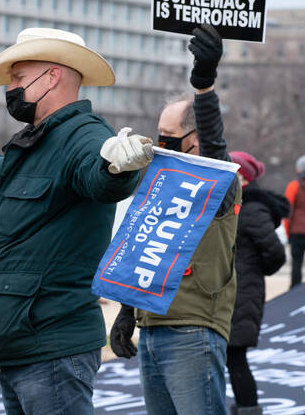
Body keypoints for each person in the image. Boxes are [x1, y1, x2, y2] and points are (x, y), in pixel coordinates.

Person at [0, 28, 152, 414]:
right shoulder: (40, 139)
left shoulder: (82, 134)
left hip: (51, 346)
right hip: (27, 345)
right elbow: (7, 177)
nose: (11, 89)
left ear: (51, 77)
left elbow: (98, 176)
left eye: (18, 78)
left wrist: (118, 166)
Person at [110, 24, 242, 415]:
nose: (159, 143)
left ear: (194, 140)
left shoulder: (220, 182)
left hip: (192, 329)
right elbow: (143, 249)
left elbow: (216, 148)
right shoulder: (159, 184)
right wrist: (126, 311)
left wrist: (203, 86)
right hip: (153, 326)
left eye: (168, 136)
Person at [226, 151, 288, 415]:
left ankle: (248, 408)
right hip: (237, 292)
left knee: (235, 357)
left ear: (243, 178)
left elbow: (276, 254)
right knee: (230, 358)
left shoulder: (251, 209)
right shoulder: (236, 206)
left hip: (242, 294)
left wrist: (251, 271)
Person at [284, 155, 305, 288]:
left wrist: (287, 232)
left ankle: (295, 290)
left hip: (296, 232)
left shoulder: (294, 186)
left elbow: (287, 211)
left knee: (296, 264)